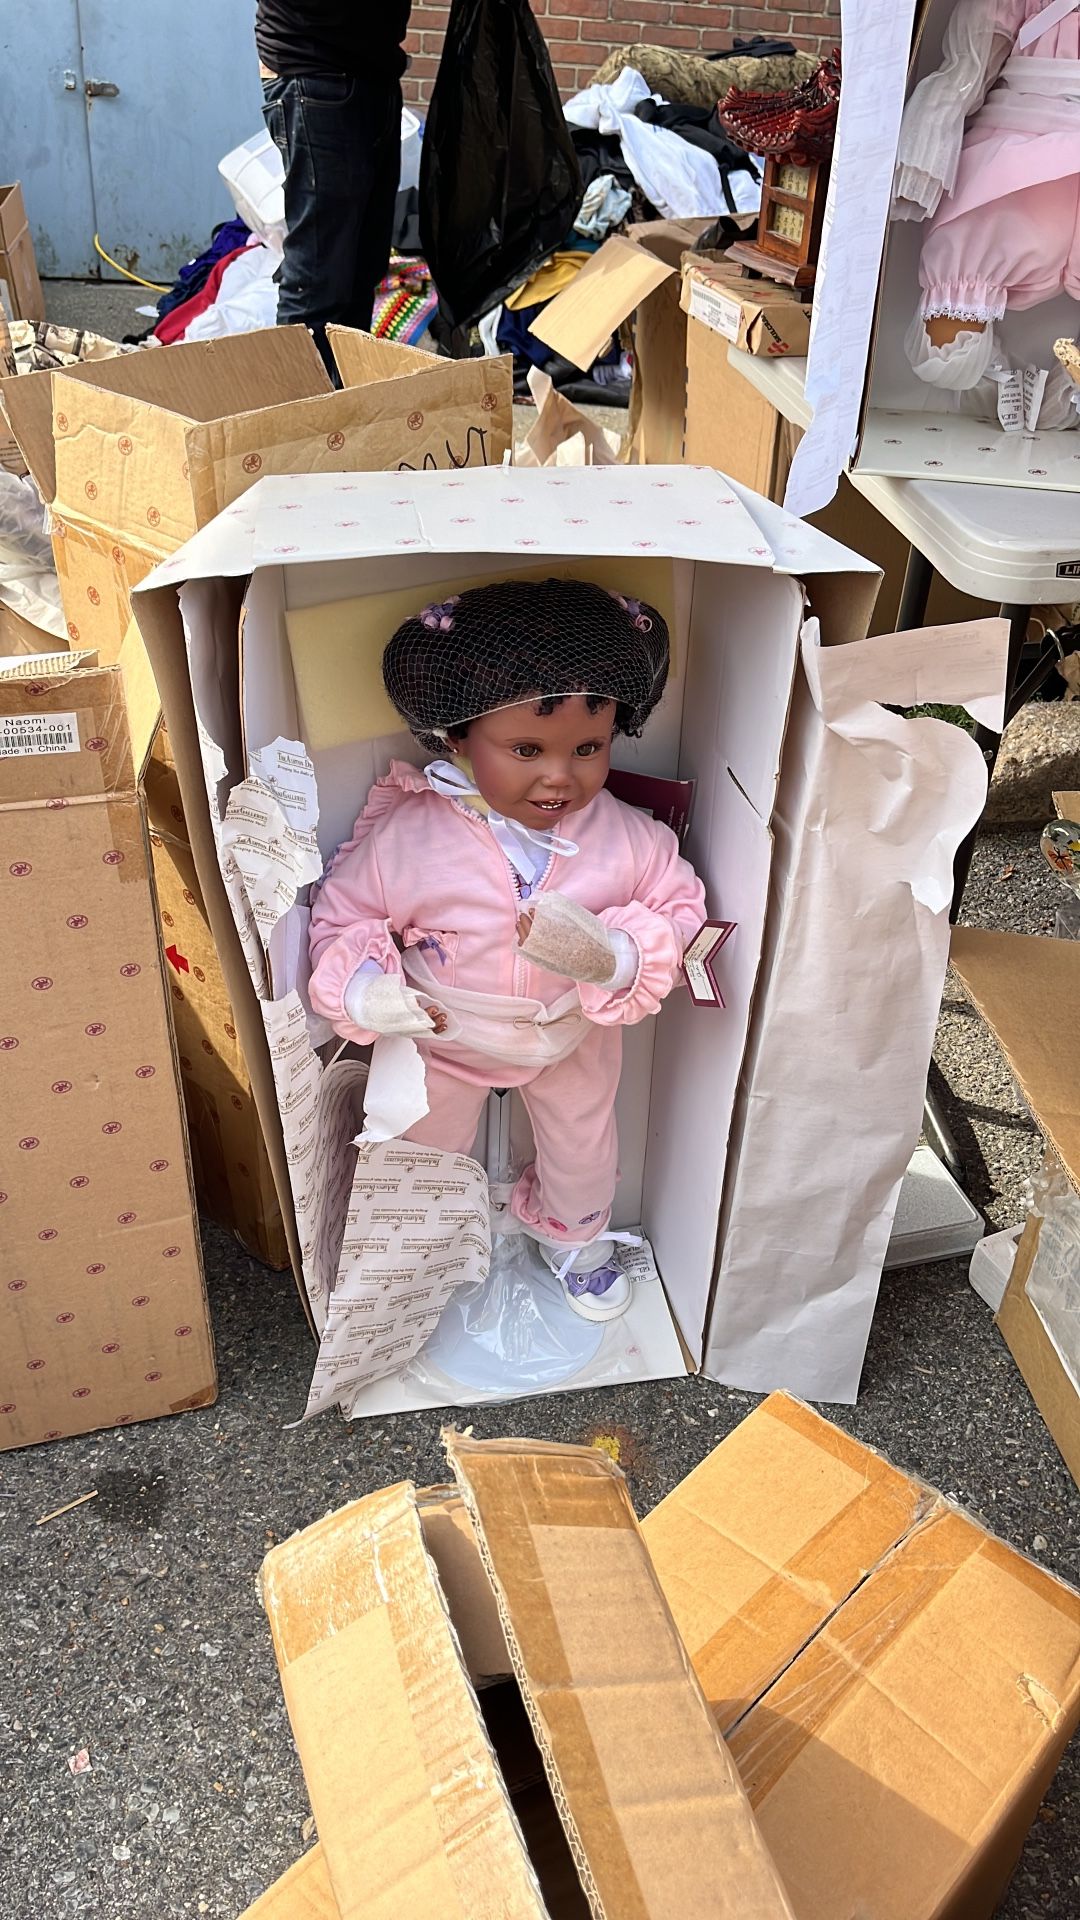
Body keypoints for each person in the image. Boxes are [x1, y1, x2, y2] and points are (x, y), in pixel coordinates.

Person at [307, 579, 708, 1323]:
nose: (560, 775)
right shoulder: (411, 837)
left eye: (588, 748)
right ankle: (420, 1254)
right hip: (442, 1032)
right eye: (526, 749)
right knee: (422, 1145)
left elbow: (682, 909)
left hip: (568, 1031)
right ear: (458, 737)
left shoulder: (626, 837)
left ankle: (573, 1237)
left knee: (583, 1144)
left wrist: (615, 956)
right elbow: (343, 913)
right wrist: (368, 992)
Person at [256, 0, 413, 375]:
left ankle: (339, 401)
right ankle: (297, 406)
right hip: (315, 70)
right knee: (318, 278)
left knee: (361, 270)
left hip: (374, 73)